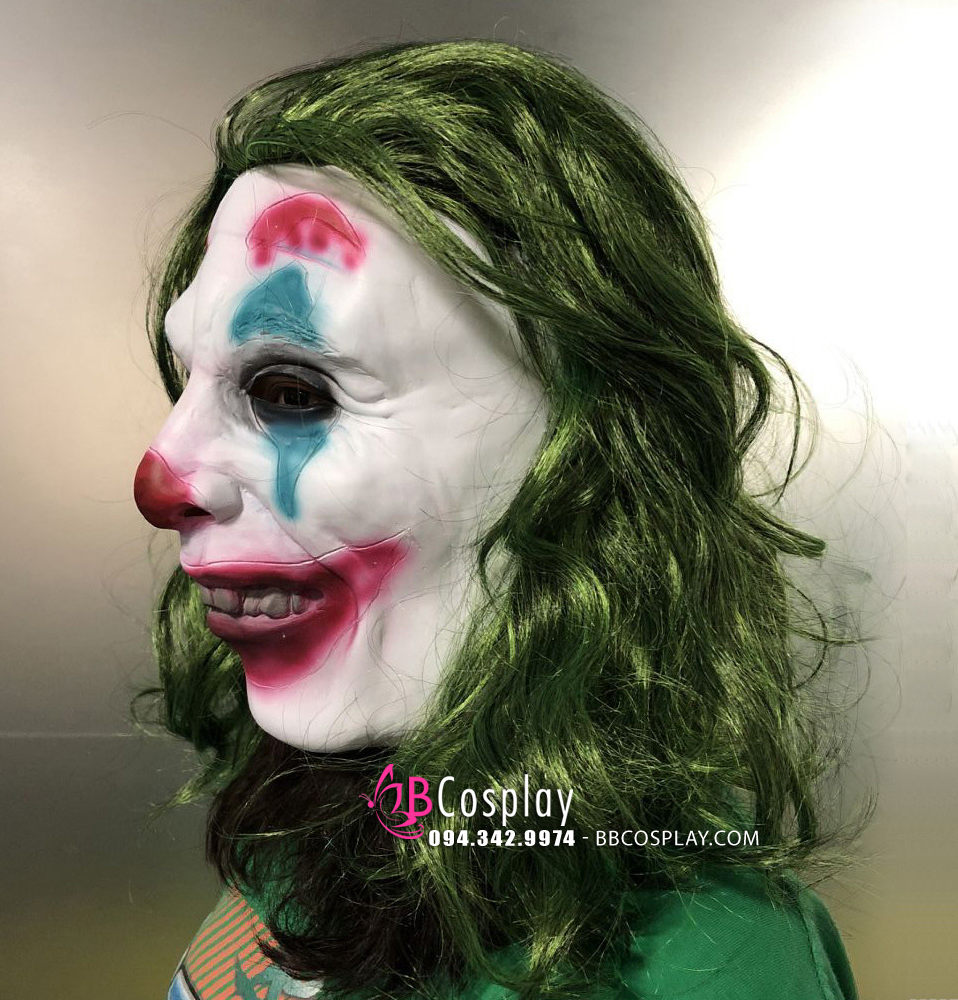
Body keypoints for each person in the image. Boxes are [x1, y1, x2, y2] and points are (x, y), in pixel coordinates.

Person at [133, 39, 861, 1000]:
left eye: (293, 391)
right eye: (190, 380)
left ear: (591, 450)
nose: (161, 478)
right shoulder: (330, 828)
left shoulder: (710, 964)